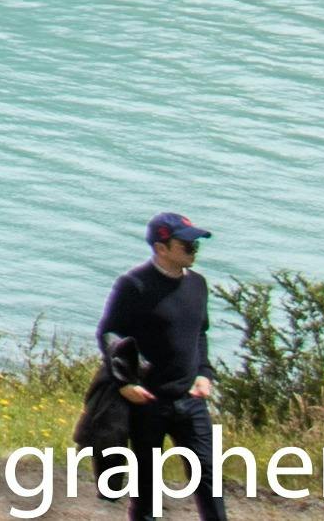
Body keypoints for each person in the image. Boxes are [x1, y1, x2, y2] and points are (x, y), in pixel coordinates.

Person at [101, 214, 226, 521]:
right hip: (148, 401)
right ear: (161, 247)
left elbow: (200, 333)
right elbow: (110, 333)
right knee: (148, 488)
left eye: (195, 243)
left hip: (191, 400)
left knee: (209, 479)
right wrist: (125, 382)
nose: (194, 249)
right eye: (186, 244)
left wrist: (203, 374)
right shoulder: (134, 285)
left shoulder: (197, 284)